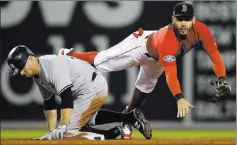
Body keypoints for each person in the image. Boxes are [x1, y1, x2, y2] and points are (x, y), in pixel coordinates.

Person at [59, 2, 231, 139]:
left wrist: (222, 78)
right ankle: (68, 54)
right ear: (173, 20)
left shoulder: (202, 31)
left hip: (157, 59)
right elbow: (171, 73)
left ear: (194, 20)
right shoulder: (168, 40)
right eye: (180, 19)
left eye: (187, 19)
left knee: (145, 87)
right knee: (101, 61)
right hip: (140, 47)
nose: (183, 23)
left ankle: (127, 118)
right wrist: (179, 97)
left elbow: (215, 55)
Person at [7, 45, 152, 140]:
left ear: (31, 59)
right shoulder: (38, 75)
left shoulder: (50, 66)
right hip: (89, 87)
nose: (21, 72)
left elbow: (66, 97)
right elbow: (49, 104)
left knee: (68, 132)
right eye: (18, 70)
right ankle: (129, 118)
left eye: (21, 67)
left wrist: (63, 126)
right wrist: (51, 132)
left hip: (92, 87)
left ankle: (110, 134)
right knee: (87, 120)